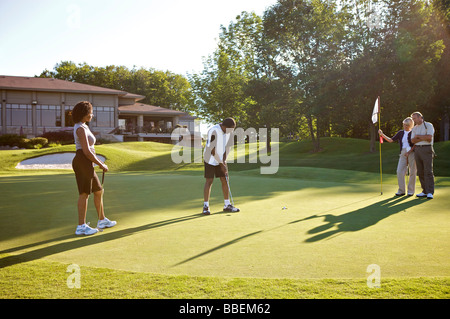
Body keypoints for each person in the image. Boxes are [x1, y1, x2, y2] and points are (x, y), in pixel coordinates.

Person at [72, 101, 117, 235]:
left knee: (98, 191)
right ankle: (81, 226)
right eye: (90, 112)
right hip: (82, 161)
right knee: (84, 194)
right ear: (84, 113)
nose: (92, 114)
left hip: (86, 162)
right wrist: (101, 164)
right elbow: (86, 151)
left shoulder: (84, 126)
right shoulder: (79, 128)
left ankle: (102, 220)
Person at [203, 118, 240, 215]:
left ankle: (227, 205)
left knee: (225, 179)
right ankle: (206, 206)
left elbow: (227, 148)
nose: (231, 131)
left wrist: (224, 161)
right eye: (230, 129)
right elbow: (212, 150)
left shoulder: (229, 132)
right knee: (209, 180)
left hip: (221, 158)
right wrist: (221, 164)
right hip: (209, 158)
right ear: (223, 126)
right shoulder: (213, 131)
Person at [379, 117, 416, 196]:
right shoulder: (400, 132)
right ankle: (401, 190)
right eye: (404, 124)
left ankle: (411, 191)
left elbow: (416, 144)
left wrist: (409, 152)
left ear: (410, 125)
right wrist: (382, 134)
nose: (404, 126)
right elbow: (390, 140)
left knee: (412, 172)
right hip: (403, 152)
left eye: (406, 125)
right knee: (399, 171)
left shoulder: (413, 132)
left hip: (412, 152)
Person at [410, 111, 435, 199]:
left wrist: (418, 137)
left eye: (414, 118)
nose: (413, 120)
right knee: (420, 171)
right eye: (412, 119)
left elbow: (429, 138)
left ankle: (430, 192)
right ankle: (424, 191)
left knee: (428, 171)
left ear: (420, 117)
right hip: (417, 149)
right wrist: (422, 137)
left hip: (427, 148)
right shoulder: (414, 128)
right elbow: (413, 141)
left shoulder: (428, 125)